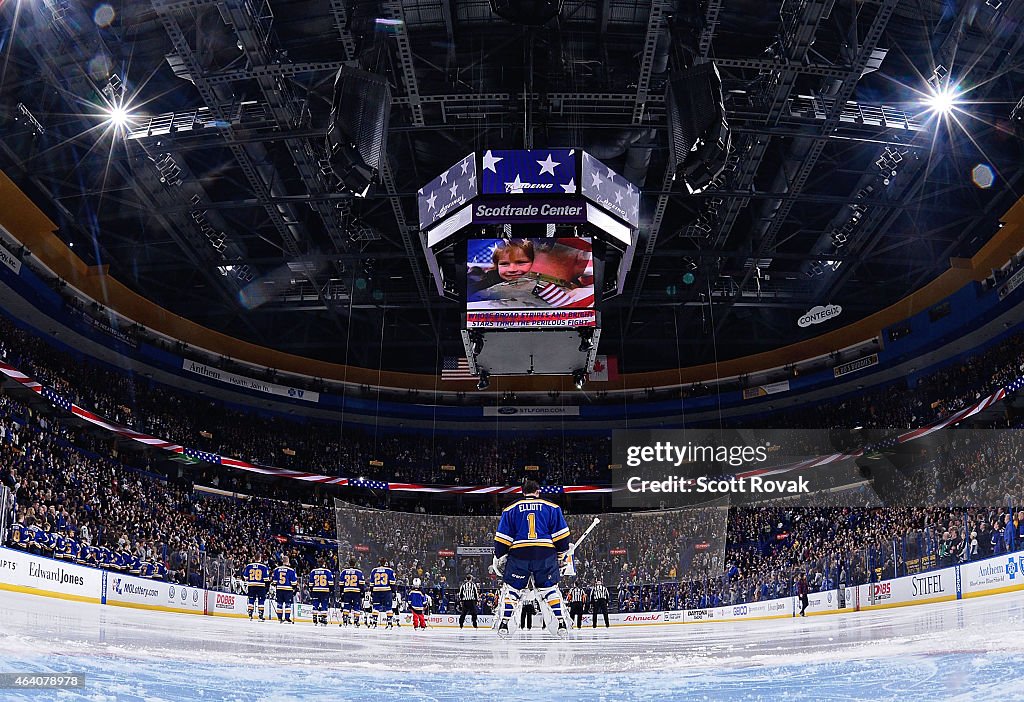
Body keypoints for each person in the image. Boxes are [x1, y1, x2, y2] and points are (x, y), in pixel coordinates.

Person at [492, 479, 571, 638]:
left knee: (513, 589)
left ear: (522, 492)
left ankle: (505, 622)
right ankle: (561, 621)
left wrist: (501, 555)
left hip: (519, 553)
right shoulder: (552, 507)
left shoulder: (511, 509)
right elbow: (562, 536)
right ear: (538, 492)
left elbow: (502, 539)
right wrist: (562, 554)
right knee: (549, 589)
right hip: (545, 553)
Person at [468, 239, 536, 295]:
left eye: (520, 262)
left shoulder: (541, 285)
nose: (512, 269)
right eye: (504, 264)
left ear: (533, 262)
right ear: (497, 266)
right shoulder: (476, 289)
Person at [369, 557, 397, 629]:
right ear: (386, 563)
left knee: (376, 607)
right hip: (387, 591)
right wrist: (394, 591)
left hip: (376, 590)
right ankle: (390, 623)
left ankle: (374, 623)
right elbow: (392, 582)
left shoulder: (374, 570)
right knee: (388, 607)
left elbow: (371, 583)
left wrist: (371, 591)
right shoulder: (390, 570)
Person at [338, 558, 365, 627]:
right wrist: (362, 592)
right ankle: (356, 620)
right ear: (355, 563)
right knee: (356, 606)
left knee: (346, 606)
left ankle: (345, 619)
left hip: (347, 591)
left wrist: (341, 592)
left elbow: (341, 583)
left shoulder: (344, 572)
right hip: (356, 592)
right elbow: (361, 584)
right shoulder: (359, 572)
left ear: (349, 563)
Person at [271, 556, 297, 623]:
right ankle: (287, 618)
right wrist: (295, 589)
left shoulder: (277, 569)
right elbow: (294, 582)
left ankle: (279, 618)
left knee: (279, 604)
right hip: (288, 590)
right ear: (288, 561)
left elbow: (274, 582)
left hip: (279, 589)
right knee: (287, 604)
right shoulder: (291, 570)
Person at [308, 561, 334, 626]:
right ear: (324, 564)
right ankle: (323, 618)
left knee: (315, 603)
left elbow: (311, 583)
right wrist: (331, 590)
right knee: (324, 604)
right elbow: (330, 583)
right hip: (325, 591)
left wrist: (311, 590)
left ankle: (314, 617)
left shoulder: (313, 571)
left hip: (315, 590)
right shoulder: (328, 572)